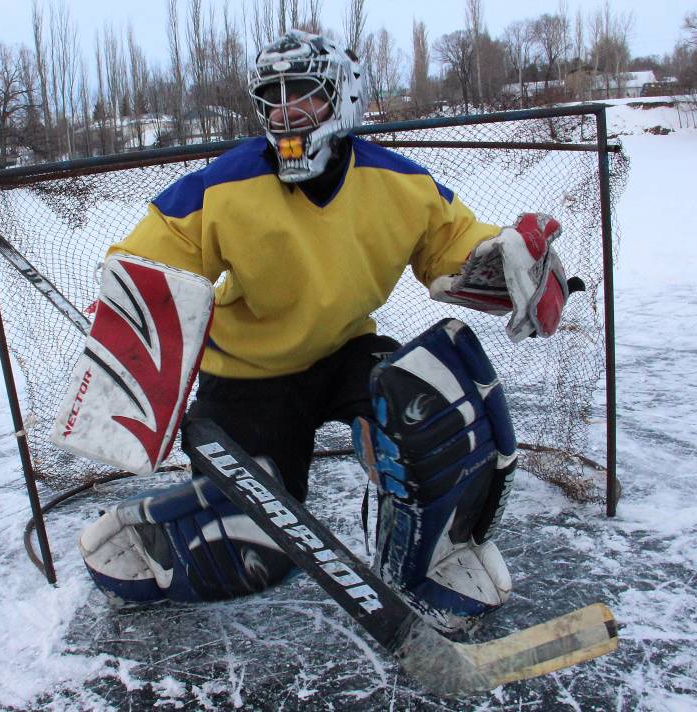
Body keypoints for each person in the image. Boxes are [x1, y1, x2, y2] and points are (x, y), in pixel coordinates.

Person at [71, 29, 572, 635]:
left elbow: (454, 242)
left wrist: (500, 253)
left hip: (344, 352)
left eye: (304, 94)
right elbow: (150, 261)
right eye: (272, 98)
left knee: (428, 402)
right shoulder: (223, 185)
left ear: (346, 97)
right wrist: (149, 361)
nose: (286, 113)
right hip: (247, 375)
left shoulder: (400, 183)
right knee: (258, 542)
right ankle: (144, 536)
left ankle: (425, 558)